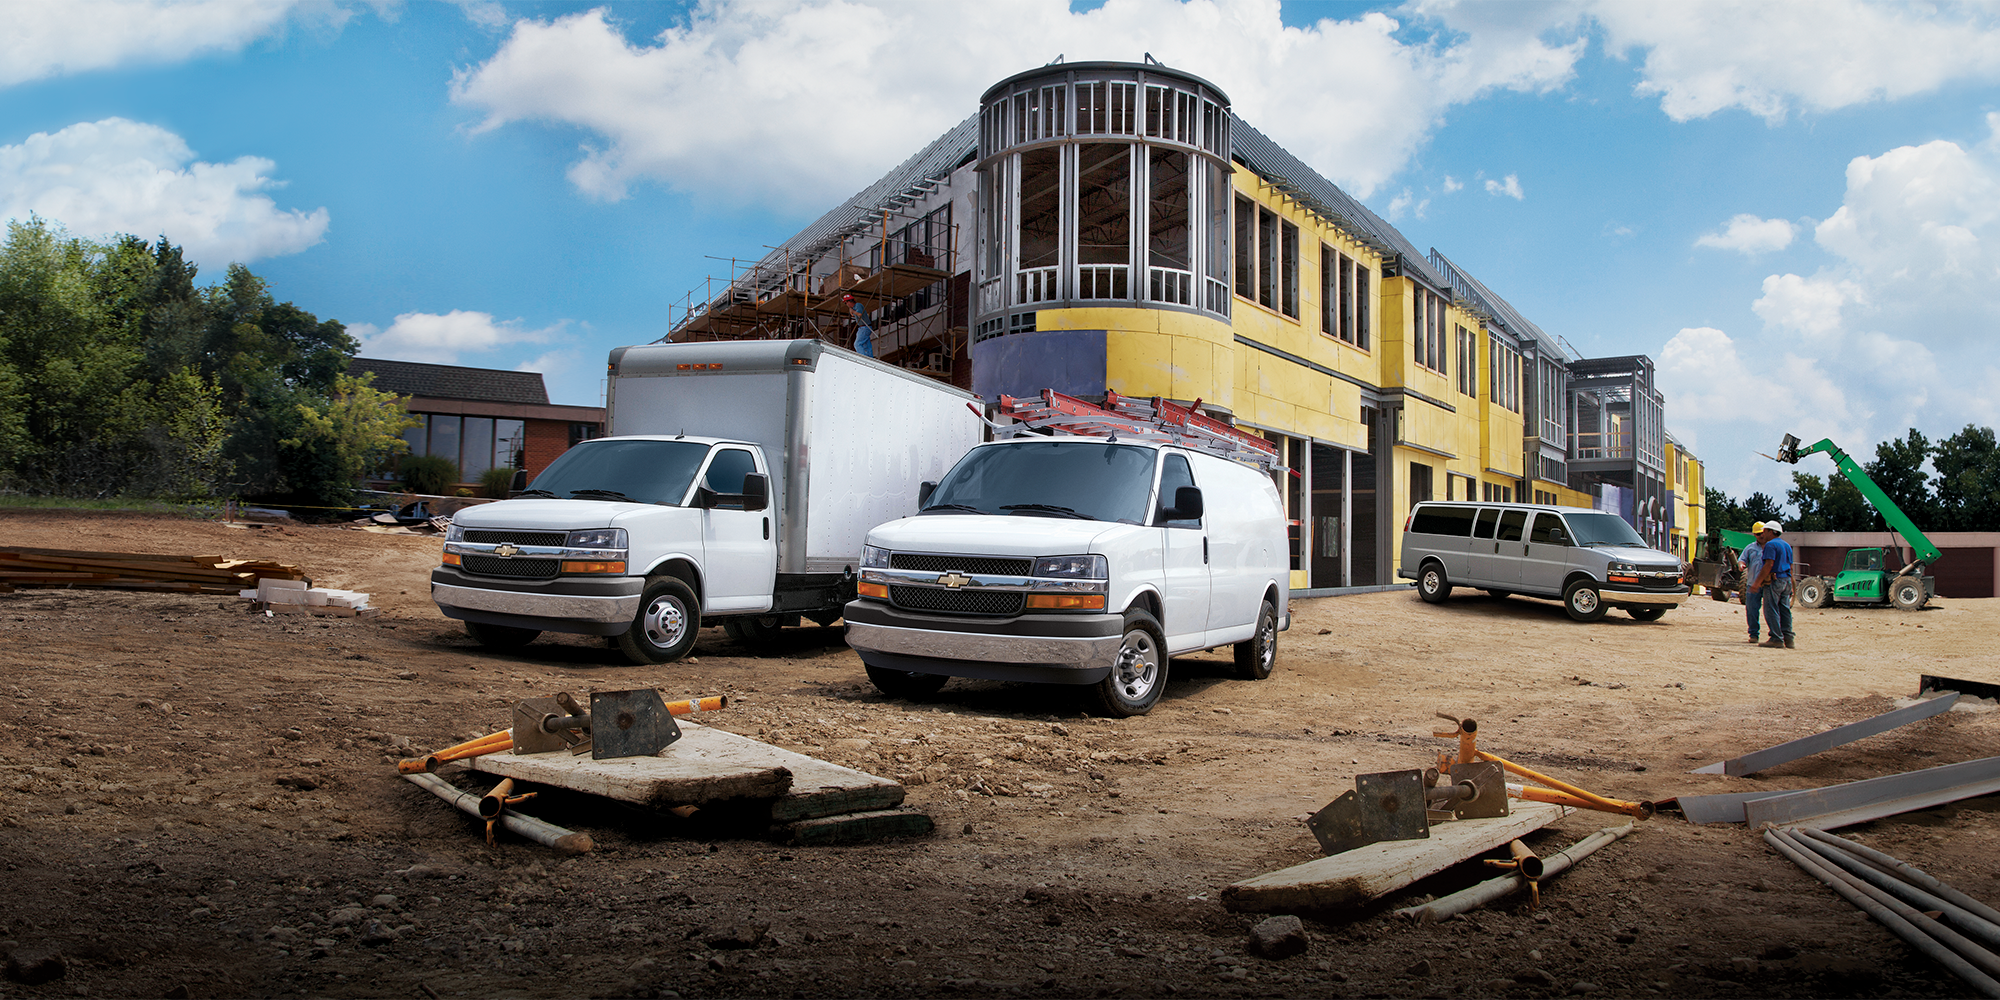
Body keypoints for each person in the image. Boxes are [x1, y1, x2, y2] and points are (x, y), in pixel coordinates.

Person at [1756, 522, 1796, 648]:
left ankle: (1776, 638)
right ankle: (1788, 638)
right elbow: (1790, 567)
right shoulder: (1787, 545)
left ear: (1771, 532)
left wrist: (1757, 582)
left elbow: (1769, 564)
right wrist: (1793, 585)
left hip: (1775, 581)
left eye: (1765, 531)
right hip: (1786, 580)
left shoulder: (1771, 545)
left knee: (1770, 609)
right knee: (1784, 609)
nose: (1763, 533)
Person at [1737, 522, 1767, 644]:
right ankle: (1754, 634)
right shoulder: (1750, 548)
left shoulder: (1771, 547)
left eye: (1763, 533)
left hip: (1768, 584)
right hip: (1753, 584)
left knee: (1771, 610)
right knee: (1752, 610)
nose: (1761, 536)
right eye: (1759, 534)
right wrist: (1741, 565)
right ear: (1754, 534)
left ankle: (1775, 634)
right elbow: (1741, 560)